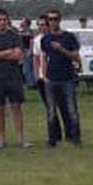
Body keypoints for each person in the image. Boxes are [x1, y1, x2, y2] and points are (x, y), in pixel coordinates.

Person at [0, 7, 30, 149]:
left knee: (17, 107)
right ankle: (2, 139)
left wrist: (0, 54)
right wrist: (8, 52)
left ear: (8, 20)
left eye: (4, 19)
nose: (2, 22)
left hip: (14, 76)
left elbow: (18, 55)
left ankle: (21, 139)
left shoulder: (14, 35)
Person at [40, 9, 81, 147]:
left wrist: (61, 49)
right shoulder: (45, 39)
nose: (53, 22)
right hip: (51, 79)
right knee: (51, 111)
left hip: (67, 78)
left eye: (55, 19)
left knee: (71, 110)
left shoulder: (68, 37)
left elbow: (76, 57)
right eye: (50, 19)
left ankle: (75, 138)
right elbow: (44, 57)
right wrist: (44, 75)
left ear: (60, 20)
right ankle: (52, 139)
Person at [32, 15, 62, 144]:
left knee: (62, 106)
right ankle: (54, 135)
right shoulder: (37, 40)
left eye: (43, 25)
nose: (41, 27)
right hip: (43, 78)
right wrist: (37, 76)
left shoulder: (56, 38)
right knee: (49, 108)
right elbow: (36, 59)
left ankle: (67, 134)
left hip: (56, 76)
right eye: (39, 25)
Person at [19, 16, 36, 88]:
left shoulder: (29, 32)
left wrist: (30, 51)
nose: (21, 22)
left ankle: (31, 84)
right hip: (21, 51)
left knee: (27, 68)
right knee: (23, 68)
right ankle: (28, 82)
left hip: (27, 50)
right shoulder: (21, 31)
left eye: (23, 21)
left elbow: (31, 41)